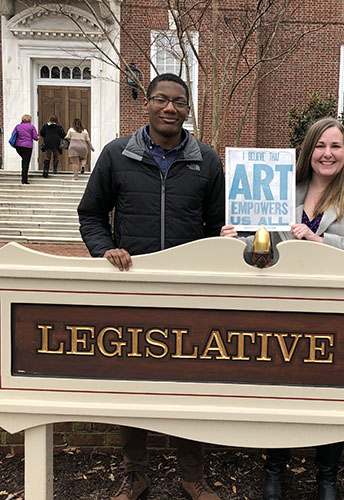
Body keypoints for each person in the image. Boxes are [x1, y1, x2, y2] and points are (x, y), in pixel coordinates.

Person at [221, 116, 344, 500]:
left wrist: (320, 240)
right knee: (280, 390)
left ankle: (326, 477)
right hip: (284, 306)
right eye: (319, 146)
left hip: (337, 308)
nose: (327, 154)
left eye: (335, 146)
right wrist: (233, 240)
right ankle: (275, 470)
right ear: (308, 150)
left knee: (332, 393)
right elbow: (259, 246)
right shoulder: (280, 188)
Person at [78, 73, 225, 500]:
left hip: (187, 295)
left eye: (179, 102)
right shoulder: (116, 155)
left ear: (188, 109)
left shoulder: (207, 162)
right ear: (147, 102)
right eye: (161, 99)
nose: (169, 108)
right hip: (132, 291)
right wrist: (105, 250)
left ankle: (192, 477)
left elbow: (217, 229)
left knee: (189, 385)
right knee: (133, 385)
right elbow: (90, 214)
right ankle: (135, 475)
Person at [12, 114, 38, 184]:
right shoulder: (31, 127)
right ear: (29, 120)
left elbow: (13, 134)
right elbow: (35, 137)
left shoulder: (18, 126)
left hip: (18, 146)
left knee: (24, 160)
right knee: (26, 162)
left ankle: (24, 177)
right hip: (27, 146)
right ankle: (24, 180)